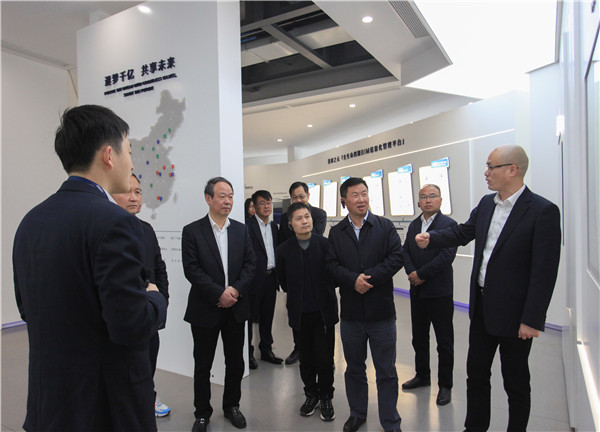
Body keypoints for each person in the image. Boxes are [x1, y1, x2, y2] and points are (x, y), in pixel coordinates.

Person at [12, 105, 167, 432]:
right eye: (129, 151)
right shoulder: (115, 222)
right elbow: (129, 325)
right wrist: (155, 298)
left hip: (49, 402)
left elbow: (28, 308)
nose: (132, 163)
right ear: (109, 155)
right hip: (105, 406)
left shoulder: (30, 221)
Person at [415, 145, 561, 432]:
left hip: (515, 315)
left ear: (512, 170)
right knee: (477, 374)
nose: (486, 172)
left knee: (515, 381)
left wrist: (532, 319)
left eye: (491, 167)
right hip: (482, 308)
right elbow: (463, 232)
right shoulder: (486, 204)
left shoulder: (542, 211)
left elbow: (544, 272)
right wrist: (432, 239)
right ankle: (475, 427)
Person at [326, 177, 404, 432]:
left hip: (381, 312)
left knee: (386, 370)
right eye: (355, 195)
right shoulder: (337, 232)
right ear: (344, 201)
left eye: (364, 193)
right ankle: (357, 413)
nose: (361, 199)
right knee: (354, 368)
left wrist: (367, 278)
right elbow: (331, 265)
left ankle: (390, 420)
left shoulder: (384, 226)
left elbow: (396, 258)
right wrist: (352, 280)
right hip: (351, 315)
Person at [182, 177, 256, 432]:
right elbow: (192, 269)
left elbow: (250, 264)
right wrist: (218, 293)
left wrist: (234, 290)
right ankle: (202, 413)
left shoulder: (241, 230)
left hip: (236, 307)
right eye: (222, 196)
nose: (227, 201)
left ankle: (232, 406)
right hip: (205, 309)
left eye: (231, 196)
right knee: (203, 365)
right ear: (208, 198)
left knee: (235, 362)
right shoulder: (192, 231)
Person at [112, 173, 171, 417]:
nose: (134, 197)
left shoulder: (146, 230)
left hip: (148, 315)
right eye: (127, 192)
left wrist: (161, 301)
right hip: (124, 317)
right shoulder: (106, 231)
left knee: (148, 363)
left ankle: (149, 398)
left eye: (138, 192)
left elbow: (159, 268)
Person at [276, 202, 339, 422]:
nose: (305, 221)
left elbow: (334, 276)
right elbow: (284, 282)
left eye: (307, 217)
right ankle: (311, 394)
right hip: (299, 314)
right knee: (306, 359)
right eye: (299, 218)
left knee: (325, 358)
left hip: (323, 313)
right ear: (290, 224)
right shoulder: (283, 251)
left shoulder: (325, 245)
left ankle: (326, 396)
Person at [401, 184, 457, 406]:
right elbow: (406, 250)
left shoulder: (448, 225)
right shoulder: (414, 225)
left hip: (439, 292)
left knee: (444, 341)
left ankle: (445, 385)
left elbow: (446, 256)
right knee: (419, 337)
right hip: (417, 292)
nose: (428, 200)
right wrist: (411, 273)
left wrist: (421, 274)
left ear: (440, 200)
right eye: (423, 196)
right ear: (419, 201)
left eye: (432, 196)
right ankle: (422, 375)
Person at [278, 181, 328, 365]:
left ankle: (324, 356)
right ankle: (298, 348)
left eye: (301, 196)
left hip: (315, 269)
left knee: (320, 322)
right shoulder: (286, 217)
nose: (298, 199)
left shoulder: (319, 214)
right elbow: (282, 243)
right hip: (294, 272)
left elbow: (316, 235)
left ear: (308, 196)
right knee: (296, 315)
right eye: (294, 197)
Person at [246, 190, 283, 367]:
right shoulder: (247, 226)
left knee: (267, 316)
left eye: (269, 202)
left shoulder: (274, 227)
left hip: (270, 278)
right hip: (253, 280)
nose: (267, 206)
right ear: (254, 206)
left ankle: (266, 350)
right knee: (249, 317)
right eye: (262, 203)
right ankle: (248, 352)